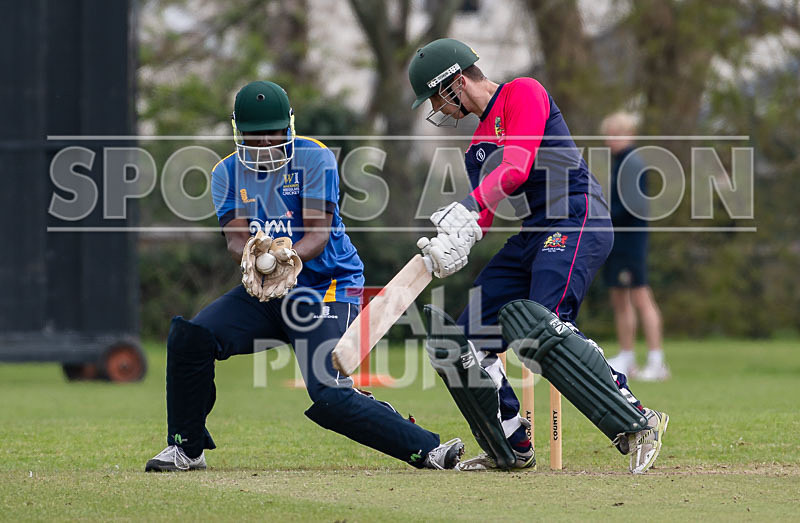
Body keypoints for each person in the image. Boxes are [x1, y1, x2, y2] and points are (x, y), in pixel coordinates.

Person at [145, 80, 464, 472]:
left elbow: (317, 233)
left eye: (272, 133)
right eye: (255, 135)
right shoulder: (225, 172)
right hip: (267, 293)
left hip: (326, 287)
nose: (264, 143)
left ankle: (428, 449)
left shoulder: (314, 158)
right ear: (237, 131)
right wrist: (253, 256)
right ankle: (186, 449)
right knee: (190, 337)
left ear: (289, 127)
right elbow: (234, 237)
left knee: (329, 395)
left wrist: (286, 257)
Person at [408, 39, 668, 473]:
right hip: (534, 232)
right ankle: (509, 443)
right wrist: (452, 242)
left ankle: (637, 421)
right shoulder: (476, 148)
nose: (436, 107)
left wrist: (469, 206)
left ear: (455, 83)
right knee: (465, 339)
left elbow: (517, 166)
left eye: (435, 97)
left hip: (576, 216)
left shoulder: (523, 93)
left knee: (542, 328)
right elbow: (484, 215)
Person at [600, 112, 669, 381]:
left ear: (629, 135)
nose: (611, 139)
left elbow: (633, 206)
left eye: (616, 134)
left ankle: (657, 361)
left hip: (630, 242)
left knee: (641, 296)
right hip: (617, 240)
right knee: (620, 298)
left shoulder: (632, 163)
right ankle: (627, 357)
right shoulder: (619, 163)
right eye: (608, 134)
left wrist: (601, 215)